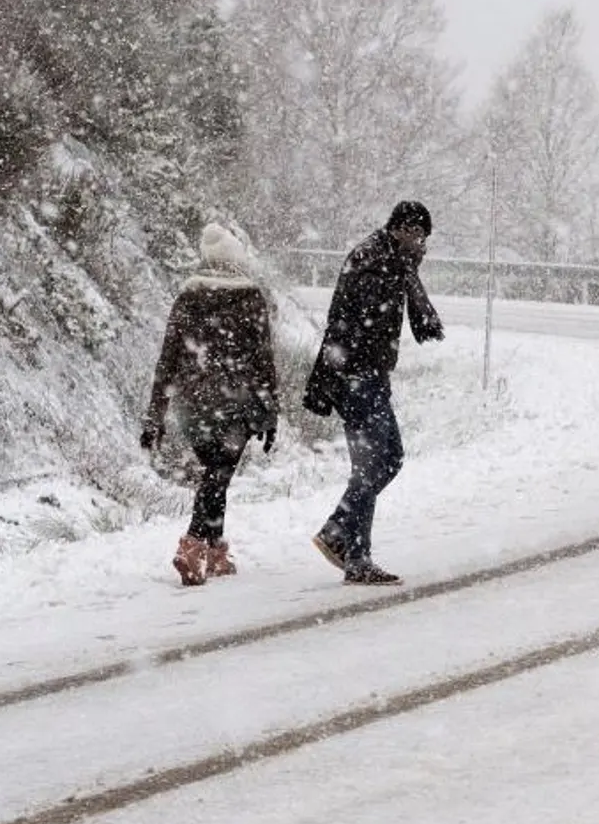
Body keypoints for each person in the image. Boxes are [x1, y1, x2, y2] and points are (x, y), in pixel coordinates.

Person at [303, 200, 446, 585]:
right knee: (369, 466)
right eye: (418, 236)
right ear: (402, 229)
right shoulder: (374, 261)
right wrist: (351, 374)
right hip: (357, 378)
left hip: (370, 377)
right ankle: (354, 553)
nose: (421, 245)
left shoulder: (390, 259)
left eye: (424, 239)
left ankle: (341, 535)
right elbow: (355, 324)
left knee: (390, 458)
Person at [142, 224, 280, 587]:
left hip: (192, 404)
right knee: (218, 474)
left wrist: (155, 414)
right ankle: (192, 546)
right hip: (235, 403)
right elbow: (263, 360)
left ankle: (216, 552)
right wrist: (270, 411)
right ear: (236, 257)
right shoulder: (250, 296)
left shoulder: (188, 296)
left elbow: (168, 359)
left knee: (214, 473)